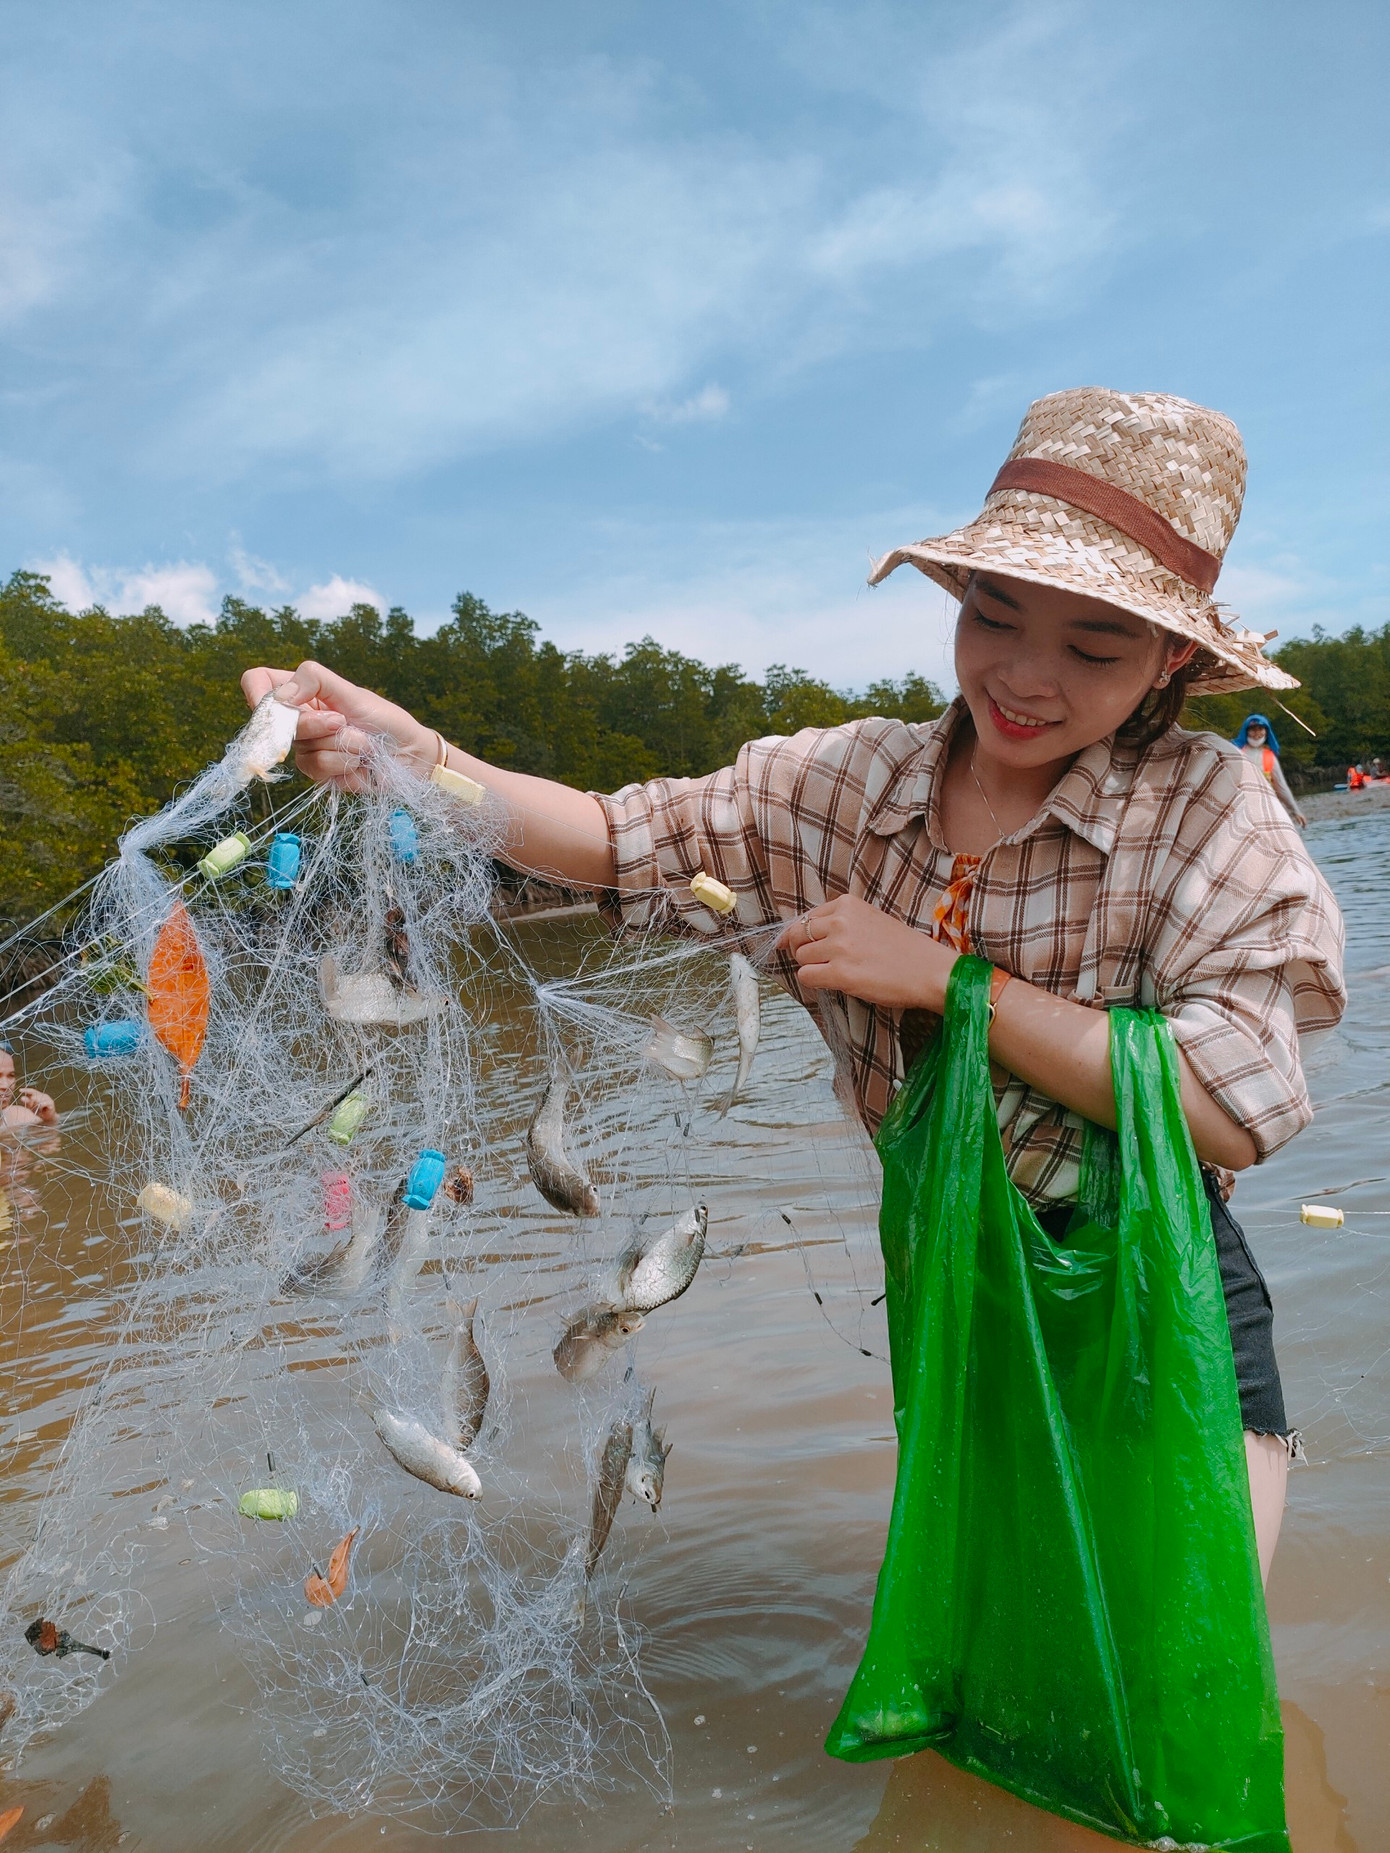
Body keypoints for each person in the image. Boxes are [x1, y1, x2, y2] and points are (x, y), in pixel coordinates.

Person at [242, 387, 1345, 1592]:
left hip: (1158, 1284)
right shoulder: (843, 785)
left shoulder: (1207, 808)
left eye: (1093, 647)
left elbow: (1229, 1107)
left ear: (1171, 656)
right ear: (958, 598)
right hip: (956, 1289)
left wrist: (943, 980)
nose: (1026, 678)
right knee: (993, 1644)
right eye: (995, 614)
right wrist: (425, 762)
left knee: (1188, 1644)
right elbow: (616, 839)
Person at [1232, 713, 1306, 827]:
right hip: (1240, 807)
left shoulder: (1270, 757)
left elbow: (1281, 787)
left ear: (1266, 732)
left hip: (1264, 806)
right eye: (1253, 729)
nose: (1257, 733)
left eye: (1260, 729)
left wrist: (1295, 810)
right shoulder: (1235, 751)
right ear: (1246, 731)